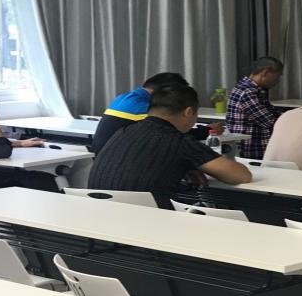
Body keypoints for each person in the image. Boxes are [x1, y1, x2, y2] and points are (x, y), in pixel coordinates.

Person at [88, 83, 251, 208]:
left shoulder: (124, 131)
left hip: (100, 214)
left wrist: (188, 167)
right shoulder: (178, 141)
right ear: (188, 112)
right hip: (146, 220)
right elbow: (240, 176)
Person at [91, 72, 190, 152]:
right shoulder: (140, 105)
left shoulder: (125, 97)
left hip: (104, 155)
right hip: (116, 159)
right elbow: (171, 127)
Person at [225, 56, 284, 159]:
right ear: (265, 72)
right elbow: (268, 121)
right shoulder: (248, 92)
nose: (278, 81)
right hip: (251, 150)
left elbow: (272, 111)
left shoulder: (252, 89)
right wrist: (290, 119)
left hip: (252, 147)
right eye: (277, 76)